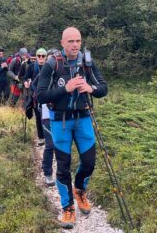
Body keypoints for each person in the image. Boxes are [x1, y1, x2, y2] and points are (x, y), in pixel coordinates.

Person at [37, 27, 107, 229]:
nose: (75, 45)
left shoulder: (87, 62)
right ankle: (67, 208)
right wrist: (65, 89)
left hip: (83, 118)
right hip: (60, 121)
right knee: (63, 165)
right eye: (70, 41)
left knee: (89, 162)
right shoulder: (52, 63)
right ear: (62, 43)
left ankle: (79, 191)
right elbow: (40, 95)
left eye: (78, 41)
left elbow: (103, 87)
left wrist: (90, 88)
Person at [25, 48, 55, 186]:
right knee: (50, 144)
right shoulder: (43, 72)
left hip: (62, 112)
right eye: (51, 58)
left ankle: (63, 172)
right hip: (47, 111)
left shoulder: (64, 71)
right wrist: (40, 95)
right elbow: (33, 85)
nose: (53, 61)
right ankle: (48, 173)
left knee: (61, 144)